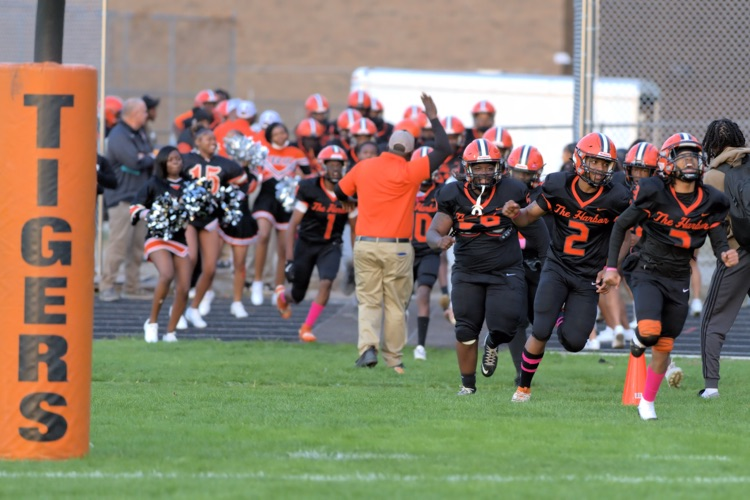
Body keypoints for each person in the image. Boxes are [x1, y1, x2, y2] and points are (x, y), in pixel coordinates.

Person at [603, 133, 737, 420]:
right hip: (647, 269)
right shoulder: (653, 191)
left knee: (664, 345)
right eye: (682, 155)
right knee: (650, 330)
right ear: (667, 162)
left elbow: (716, 235)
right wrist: (612, 267)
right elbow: (620, 227)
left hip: (678, 278)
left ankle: (647, 401)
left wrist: (724, 252)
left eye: (693, 155)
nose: (689, 161)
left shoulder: (711, 199)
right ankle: (639, 340)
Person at [502, 132, 631, 402]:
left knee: (574, 342)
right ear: (580, 160)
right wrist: (516, 214)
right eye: (594, 162)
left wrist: (611, 267)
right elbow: (528, 217)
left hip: (588, 274)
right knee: (540, 329)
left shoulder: (616, 196)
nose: (599, 169)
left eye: (605, 164)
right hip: (557, 266)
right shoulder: (558, 185)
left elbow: (626, 234)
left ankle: (561, 316)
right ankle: (523, 387)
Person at [335, 93, 451, 373]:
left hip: (365, 244)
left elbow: (340, 192)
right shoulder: (412, 171)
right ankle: (395, 361)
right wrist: (433, 116)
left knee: (369, 300)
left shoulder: (364, 167)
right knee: (397, 306)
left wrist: (356, 200)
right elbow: (444, 148)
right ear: (409, 152)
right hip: (398, 247)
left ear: (387, 146)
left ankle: (367, 348)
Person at [428, 139, 549, 395]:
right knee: (464, 330)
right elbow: (434, 230)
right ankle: (467, 385)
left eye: (488, 166)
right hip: (467, 271)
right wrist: (440, 240)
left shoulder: (513, 190)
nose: (484, 172)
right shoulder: (452, 194)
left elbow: (535, 227)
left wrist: (517, 214)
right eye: (479, 167)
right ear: (468, 168)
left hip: (505, 268)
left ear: (499, 166)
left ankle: (493, 342)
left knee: (505, 327)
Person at [276, 145, 357, 341]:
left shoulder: (348, 192)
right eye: (332, 165)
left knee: (327, 283)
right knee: (297, 295)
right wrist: (289, 261)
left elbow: (355, 228)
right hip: (306, 243)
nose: (336, 169)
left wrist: (357, 258)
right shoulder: (310, 188)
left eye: (339, 165)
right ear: (323, 166)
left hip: (331, 245)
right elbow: (292, 225)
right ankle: (282, 297)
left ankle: (307, 327)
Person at [700, 119, 750, 399]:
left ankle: (711, 387)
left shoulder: (713, 175)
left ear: (711, 145)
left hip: (736, 252)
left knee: (713, 319)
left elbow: (712, 220)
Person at [130, 146, 197, 342]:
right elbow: (135, 206)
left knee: (184, 287)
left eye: (178, 159)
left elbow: (199, 209)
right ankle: (152, 323)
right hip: (157, 236)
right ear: (163, 163)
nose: (176, 162)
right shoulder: (154, 183)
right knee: (166, 274)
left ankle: (170, 332)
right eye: (171, 160)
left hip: (179, 237)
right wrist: (151, 215)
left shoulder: (189, 185)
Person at [182, 128, 248, 328]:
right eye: (208, 139)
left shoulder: (224, 164)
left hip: (210, 218)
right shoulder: (185, 160)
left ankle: (193, 308)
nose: (213, 142)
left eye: (214, 138)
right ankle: (177, 306)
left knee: (210, 267)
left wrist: (232, 199)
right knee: (190, 259)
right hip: (189, 218)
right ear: (197, 141)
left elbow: (243, 181)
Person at [504, 145, 550, 386]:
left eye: (526, 174)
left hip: (540, 263)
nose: (521, 179)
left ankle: (526, 366)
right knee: (516, 319)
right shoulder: (501, 192)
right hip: (513, 262)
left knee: (540, 321)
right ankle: (520, 372)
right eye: (517, 173)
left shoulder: (544, 194)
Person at [250, 122, 310, 306]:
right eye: (276, 134)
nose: (281, 136)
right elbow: (253, 176)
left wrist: (299, 183)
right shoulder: (262, 150)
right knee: (263, 235)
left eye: (283, 132)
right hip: (266, 199)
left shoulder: (296, 152)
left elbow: (309, 175)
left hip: (286, 204)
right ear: (269, 136)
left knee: (284, 248)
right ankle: (257, 282)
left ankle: (278, 288)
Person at [100, 98, 154, 302]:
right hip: (122, 199)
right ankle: (107, 285)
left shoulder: (139, 133)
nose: (146, 115)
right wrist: (146, 157)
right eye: (143, 112)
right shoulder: (119, 135)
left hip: (139, 199)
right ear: (133, 113)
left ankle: (132, 285)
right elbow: (134, 160)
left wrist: (146, 157)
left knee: (137, 246)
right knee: (118, 245)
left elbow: (149, 156)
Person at [219, 131, 261, 319]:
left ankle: (237, 302)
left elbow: (250, 186)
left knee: (239, 264)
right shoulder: (220, 170)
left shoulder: (251, 176)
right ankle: (202, 297)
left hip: (242, 220)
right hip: (218, 219)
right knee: (208, 264)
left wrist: (246, 166)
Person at [409, 146, 442, 361]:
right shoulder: (405, 188)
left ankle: (420, 344)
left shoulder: (441, 192)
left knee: (423, 294)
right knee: (398, 297)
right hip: (406, 248)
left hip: (430, 250)